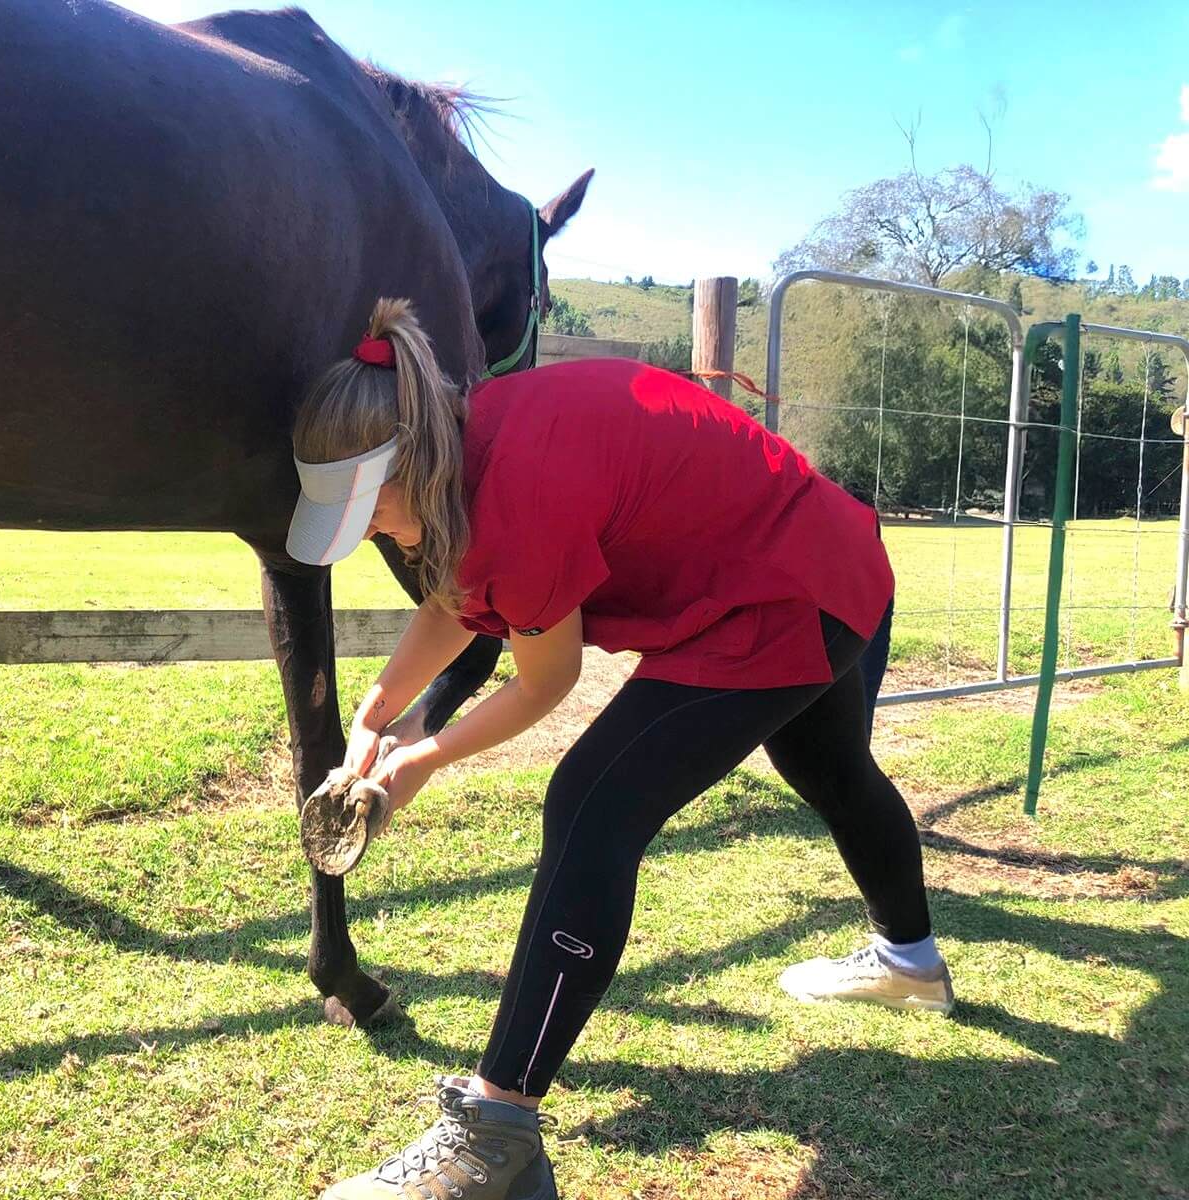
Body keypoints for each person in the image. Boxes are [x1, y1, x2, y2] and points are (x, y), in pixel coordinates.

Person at [288, 299, 952, 1200]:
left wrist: (418, 759)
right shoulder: (470, 436)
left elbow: (544, 682)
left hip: (782, 589)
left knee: (593, 802)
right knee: (831, 771)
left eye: (371, 508)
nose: (367, 530)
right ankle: (911, 963)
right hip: (823, 554)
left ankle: (496, 1136)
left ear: (413, 460)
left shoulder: (518, 491)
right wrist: (376, 715)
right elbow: (452, 595)